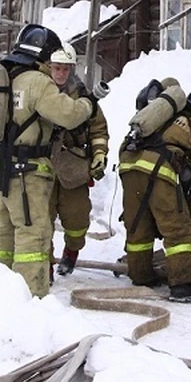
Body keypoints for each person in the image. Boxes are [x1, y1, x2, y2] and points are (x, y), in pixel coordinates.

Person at [0, 24, 97, 298]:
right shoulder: (37, 81)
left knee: (6, 232)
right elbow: (69, 115)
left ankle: (0, 290)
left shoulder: (8, 74)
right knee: (34, 234)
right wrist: (87, 104)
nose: (53, 65)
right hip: (27, 172)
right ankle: (31, 298)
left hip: (3, 165)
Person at [118, 78, 191, 304]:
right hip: (159, 169)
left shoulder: (156, 118)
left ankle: (141, 275)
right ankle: (183, 286)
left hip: (128, 164)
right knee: (178, 230)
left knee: (138, 225)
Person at [47, 42, 109, 276]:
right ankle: (45, 267)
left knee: (77, 220)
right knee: (43, 222)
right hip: (44, 166)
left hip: (74, 167)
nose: (61, 73)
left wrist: (100, 154)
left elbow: (99, 129)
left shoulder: (84, 97)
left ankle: (71, 253)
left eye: (65, 69)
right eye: (57, 68)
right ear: (49, 68)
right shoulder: (41, 91)